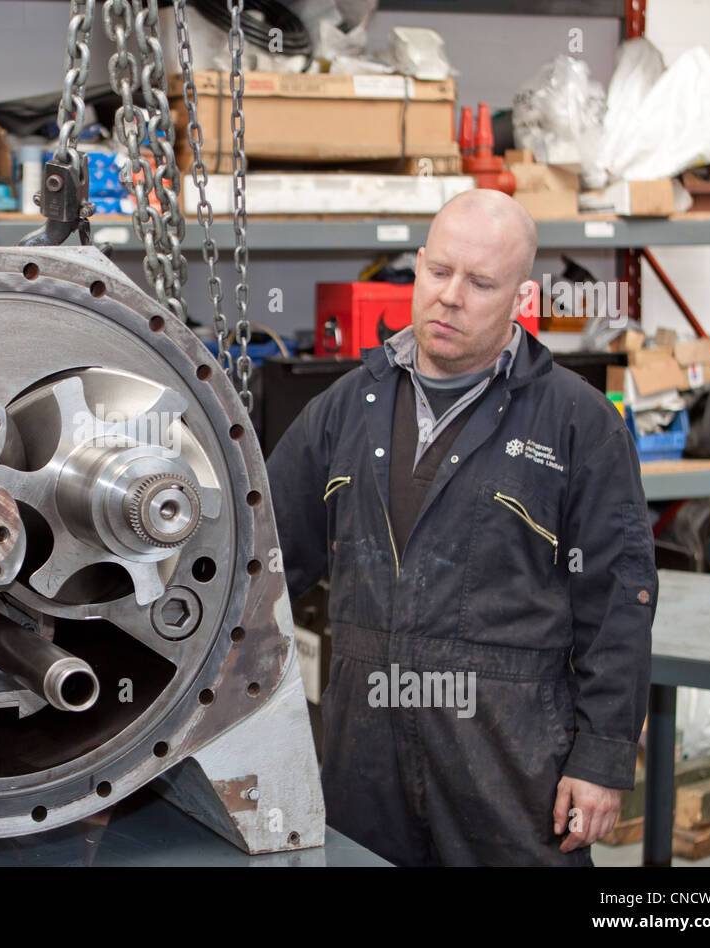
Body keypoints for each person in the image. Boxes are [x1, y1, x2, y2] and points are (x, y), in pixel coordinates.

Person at [267, 189, 656, 866]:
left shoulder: (578, 423)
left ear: (520, 297)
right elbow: (264, 557)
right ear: (417, 268)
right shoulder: (345, 407)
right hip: (364, 749)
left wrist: (602, 758)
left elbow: (619, 603)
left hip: (509, 759)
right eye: (439, 272)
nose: (450, 296)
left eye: (480, 283)